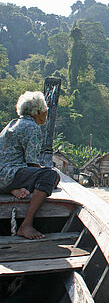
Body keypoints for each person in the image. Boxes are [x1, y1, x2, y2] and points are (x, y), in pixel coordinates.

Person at [0, 91, 60, 239]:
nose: (46, 114)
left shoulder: (12, 124)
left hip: (3, 176)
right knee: (50, 175)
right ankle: (26, 224)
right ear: (38, 111)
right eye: (45, 111)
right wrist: (49, 177)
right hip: (9, 174)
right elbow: (32, 163)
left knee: (45, 176)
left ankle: (13, 188)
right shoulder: (31, 127)